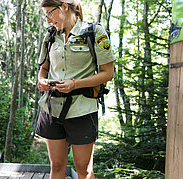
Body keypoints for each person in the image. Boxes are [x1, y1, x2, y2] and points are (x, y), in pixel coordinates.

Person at [36, 0, 115, 179]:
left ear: (64, 6)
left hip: (82, 108)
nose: (48, 20)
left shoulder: (93, 32)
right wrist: (41, 80)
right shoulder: (50, 36)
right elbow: (44, 68)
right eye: (45, 15)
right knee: (56, 166)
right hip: (51, 107)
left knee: (84, 170)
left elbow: (108, 73)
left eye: (49, 13)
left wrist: (75, 84)